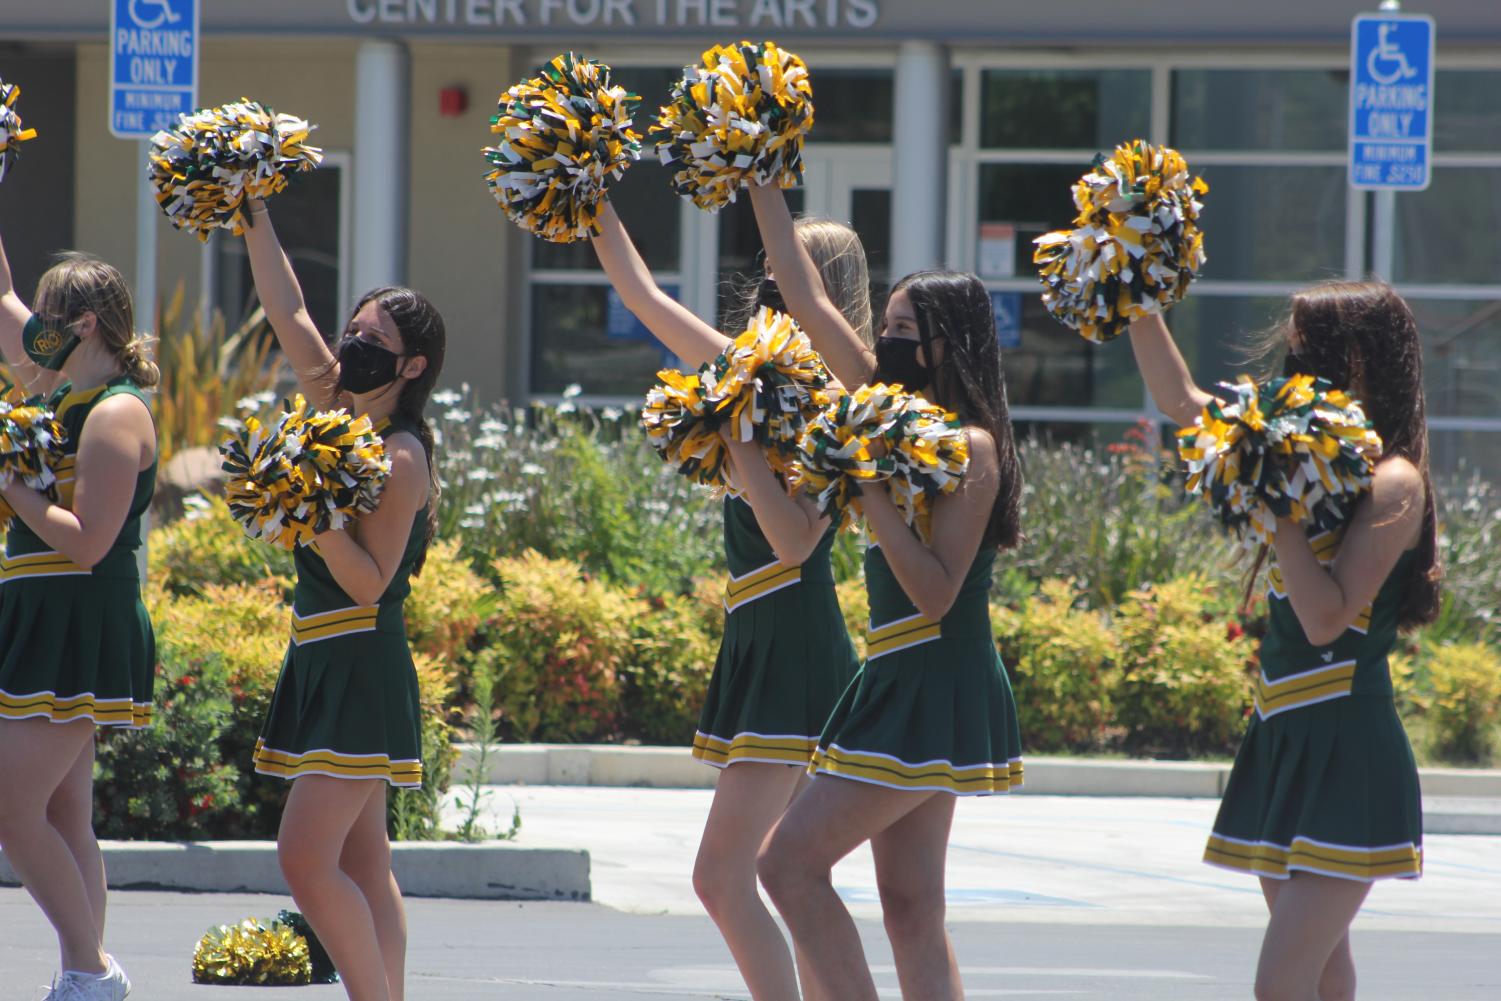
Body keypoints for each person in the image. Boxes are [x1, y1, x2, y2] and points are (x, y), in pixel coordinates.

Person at [748, 182, 1025, 1001]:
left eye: (906, 331)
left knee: (786, 864)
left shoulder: (971, 446)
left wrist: (864, 483)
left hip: (934, 671)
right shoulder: (882, 403)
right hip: (894, 671)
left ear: (949, 345)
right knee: (908, 906)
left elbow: (935, 592)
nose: (888, 342)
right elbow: (803, 293)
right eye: (887, 326)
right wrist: (763, 176)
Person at [1126, 281, 1439, 1001]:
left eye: (1309, 345)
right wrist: (1137, 293)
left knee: (1281, 984)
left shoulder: (1392, 481)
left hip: (1346, 746)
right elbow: (1181, 401)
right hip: (1282, 734)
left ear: (1356, 360)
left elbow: (1326, 616)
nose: (1292, 359)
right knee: (1326, 975)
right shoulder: (1295, 450)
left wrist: (1275, 502)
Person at [589, 201, 868, 999]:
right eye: (768, 284)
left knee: (723, 875)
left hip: (794, 630)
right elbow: (644, 297)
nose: (768, 301)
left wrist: (737, 431)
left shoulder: (836, 400)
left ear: (827, 297)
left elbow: (794, 540)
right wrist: (593, 192)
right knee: (786, 874)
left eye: (789, 287)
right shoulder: (750, 375)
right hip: (758, 628)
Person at [238, 197, 445, 1001]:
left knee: (303, 858)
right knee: (364, 862)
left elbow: (370, 582)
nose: (354, 347)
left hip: (360, 656)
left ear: (414, 366)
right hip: (319, 649)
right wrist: (251, 209)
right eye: (353, 332)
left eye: (376, 342)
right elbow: (286, 307)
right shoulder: (334, 412)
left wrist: (305, 509)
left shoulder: (401, 456)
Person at [0, 241, 160, 1001]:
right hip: (37, 610)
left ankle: (91, 969)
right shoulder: (59, 389)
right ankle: (84, 971)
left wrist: (10, 483)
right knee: (62, 810)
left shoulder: (114, 410)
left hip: (78, 616)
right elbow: (1, 297)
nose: (36, 329)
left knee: (10, 806)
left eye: (51, 315)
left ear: (87, 322)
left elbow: (89, 541)